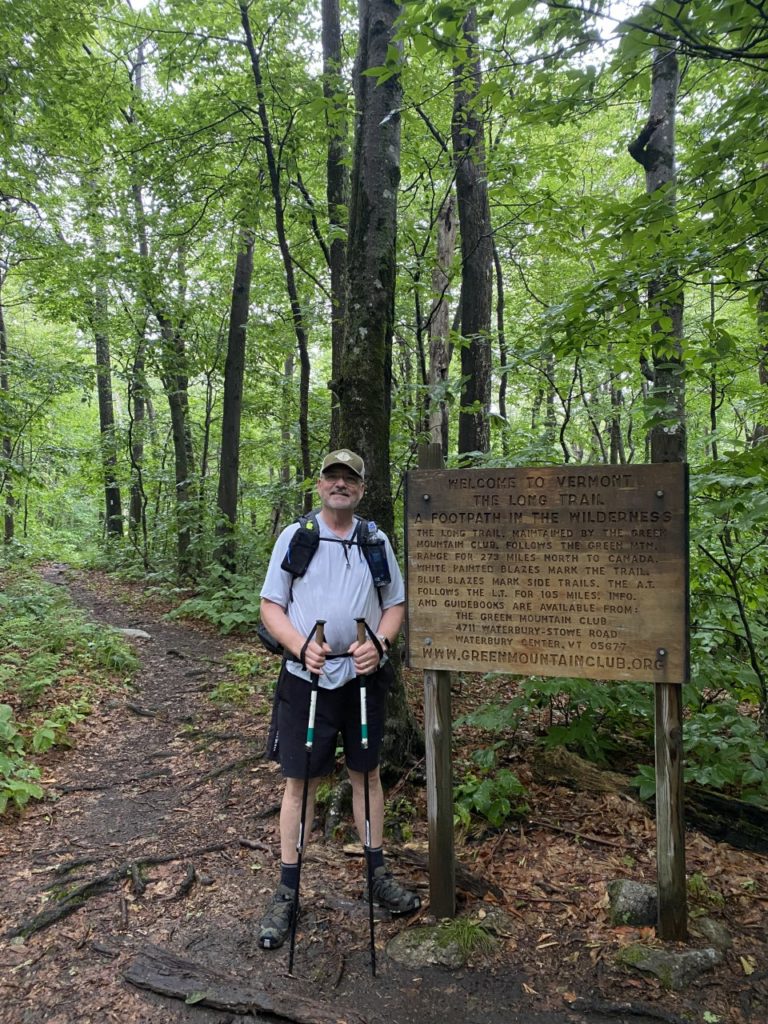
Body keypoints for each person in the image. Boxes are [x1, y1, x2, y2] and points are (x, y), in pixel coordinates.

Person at [257, 448, 420, 949]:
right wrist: (299, 646)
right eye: (333, 476)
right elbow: (270, 606)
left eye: (350, 478)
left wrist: (381, 645)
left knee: (367, 774)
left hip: (361, 681)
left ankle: (376, 872)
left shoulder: (375, 540)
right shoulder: (297, 537)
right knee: (300, 783)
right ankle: (287, 890)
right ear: (320, 484)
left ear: (362, 488)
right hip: (306, 679)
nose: (340, 484)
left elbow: (394, 604)